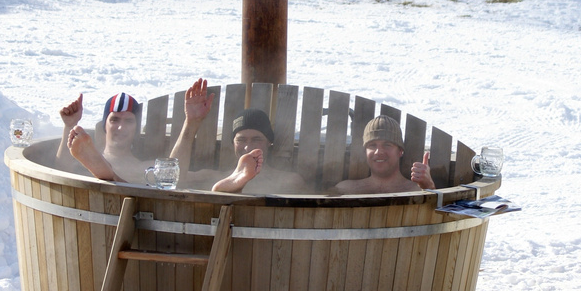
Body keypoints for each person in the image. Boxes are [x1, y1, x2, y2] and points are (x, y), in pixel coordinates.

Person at [169, 82, 309, 195]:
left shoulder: (289, 181)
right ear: (233, 143)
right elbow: (171, 178)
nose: (248, 147)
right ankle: (235, 184)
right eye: (241, 140)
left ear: (269, 142)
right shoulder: (212, 177)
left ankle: (234, 188)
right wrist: (191, 123)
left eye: (256, 139)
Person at [57, 91, 149, 184]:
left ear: (136, 127)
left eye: (129, 121)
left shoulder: (146, 168)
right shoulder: (82, 157)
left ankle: (109, 175)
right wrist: (70, 125)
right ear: (105, 125)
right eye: (114, 120)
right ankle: (110, 176)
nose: (121, 127)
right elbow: (59, 175)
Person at [333, 115, 435, 195]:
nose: (379, 152)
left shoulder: (418, 190)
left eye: (387, 145)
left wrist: (429, 186)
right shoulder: (345, 189)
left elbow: (440, 215)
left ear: (400, 151)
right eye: (372, 145)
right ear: (365, 152)